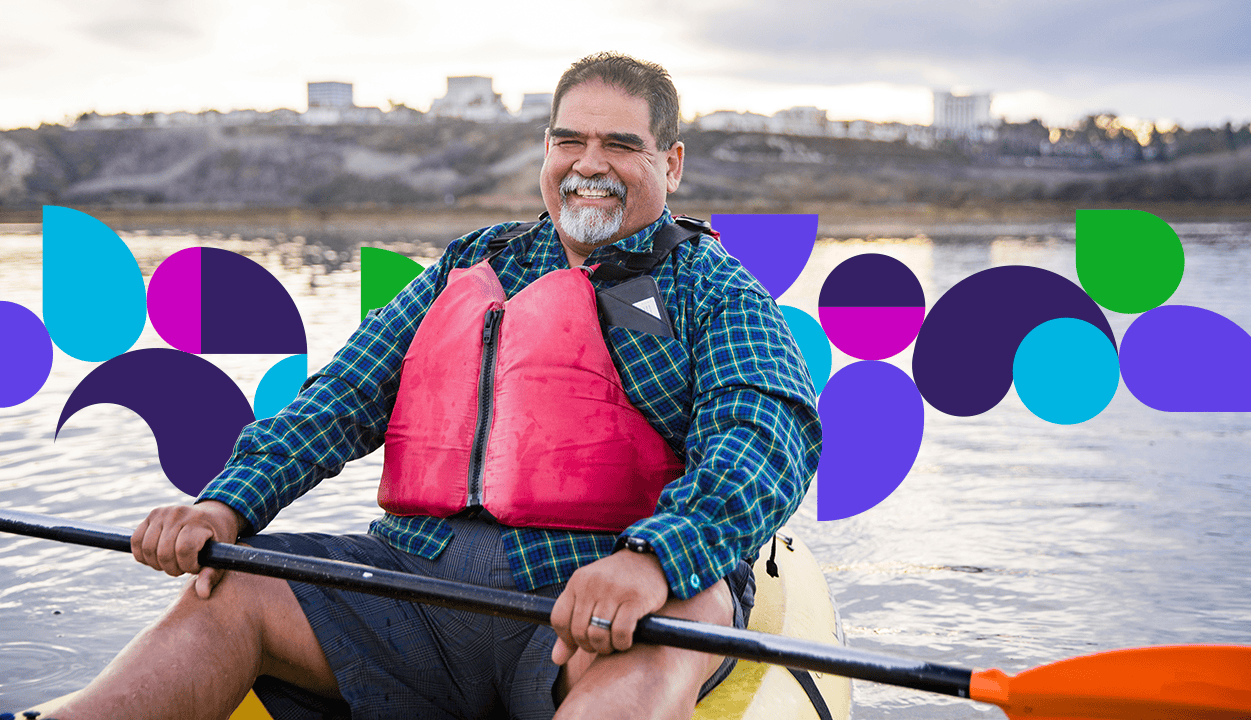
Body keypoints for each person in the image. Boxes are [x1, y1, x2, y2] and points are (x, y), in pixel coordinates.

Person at [45, 52, 821, 720]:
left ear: (671, 164)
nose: (590, 164)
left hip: (604, 591)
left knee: (668, 632)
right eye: (569, 140)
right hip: (424, 588)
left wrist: (653, 560)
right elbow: (340, 397)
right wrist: (226, 502)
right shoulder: (472, 263)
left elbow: (765, 435)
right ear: (545, 151)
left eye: (621, 144)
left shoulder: (711, 288)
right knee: (229, 592)